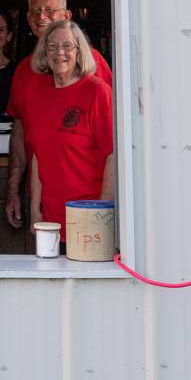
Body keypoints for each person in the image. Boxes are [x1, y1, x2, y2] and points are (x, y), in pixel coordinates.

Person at [4, 0, 112, 231]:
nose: (41, 17)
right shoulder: (25, 71)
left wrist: (103, 213)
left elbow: (113, 149)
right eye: (35, 11)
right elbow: (24, 135)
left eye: (49, 10)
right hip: (45, 204)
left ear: (66, 15)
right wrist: (15, 190)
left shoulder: (93, 70)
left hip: (89, 206)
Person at [27, 20, 114, 244]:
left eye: (67, 46)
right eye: (52, 46)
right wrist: (35, 211)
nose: (60, 53)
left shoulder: (97, 92)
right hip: (50, 221)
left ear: (79, 50)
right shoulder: (37, 95)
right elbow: (38, 156)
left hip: (89, 217)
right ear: (44, 52)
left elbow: (113, 157)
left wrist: (102, 214)